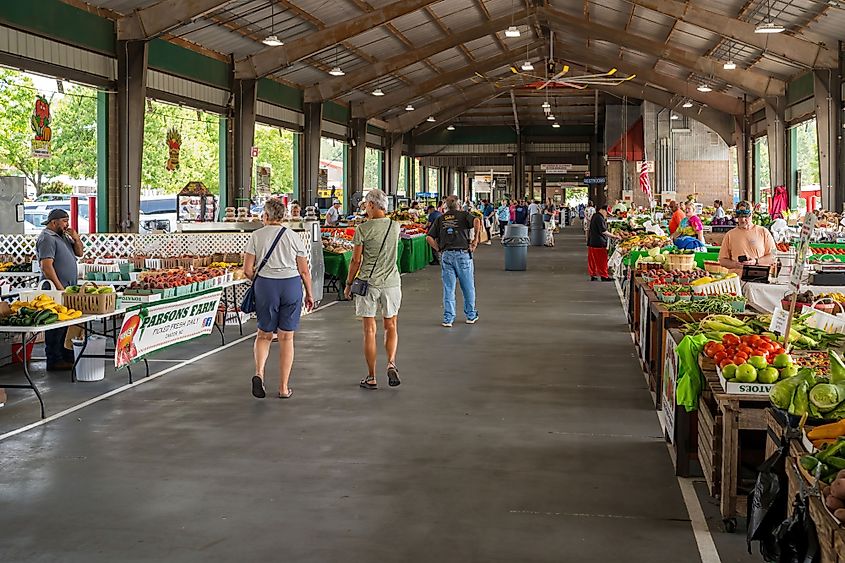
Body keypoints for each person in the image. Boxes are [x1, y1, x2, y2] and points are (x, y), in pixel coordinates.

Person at [245, 198, 314, 400]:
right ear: (283, 216)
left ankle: (259, 373)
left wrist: (260, 279)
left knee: (264, 334)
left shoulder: (256, 236)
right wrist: (309, 293)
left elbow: (247, 270)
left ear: (265, 216)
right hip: (291, 285)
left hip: (266, 286)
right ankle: (283, 388)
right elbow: (304, 270)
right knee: (287, 337)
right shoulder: (293, 237)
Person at [344, 189, 402, 390]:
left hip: (368, 283)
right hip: (392, 283)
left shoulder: (363, 229)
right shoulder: (395, 227)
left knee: (369, 330)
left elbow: (355, 260)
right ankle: (391, 362)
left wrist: (349, 283)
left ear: (371, 205)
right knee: (391, 325)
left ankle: (371, 376)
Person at [36, 209, 83, 371]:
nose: (67, 224)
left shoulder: (63, 237)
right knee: (55, 324)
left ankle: (64, 354)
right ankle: (54, 358)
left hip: (67, 288)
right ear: (54, 222)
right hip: (55, 290)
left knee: (66, 323)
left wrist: (76, 239)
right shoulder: (47, 238)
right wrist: (59, 287)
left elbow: (79, 253)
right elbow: (46, 266)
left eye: (68, 220)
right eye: (64, 221)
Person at [426, 195, 481, 327]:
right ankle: (470, 315)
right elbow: (477, 221)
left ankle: (448, 318)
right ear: (459, 204)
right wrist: (475, 241)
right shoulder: (464, 215)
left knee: (448, 288)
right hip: (462, 254)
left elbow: (428, 237)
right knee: (468, 287)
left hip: (446, 255)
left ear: (446, 206)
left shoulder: (440, 218)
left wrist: (438, 249)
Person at [718, 200, 776, 275]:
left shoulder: (764, 232)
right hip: (738, 280)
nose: (742, 220)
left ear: (752, 215)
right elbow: (722, 261)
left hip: (760, 278)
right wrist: (736, 265)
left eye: (746, 216)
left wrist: (756, 262)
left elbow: (774, 255)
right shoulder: (729, 235)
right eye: (740, 216)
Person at [587, 206, 620, 281]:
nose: (606, 215)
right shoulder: (599, 218)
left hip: (592, 241)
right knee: (602, 260)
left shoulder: (595, 216)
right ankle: (604, 276)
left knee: (593, 260)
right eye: (606, 213)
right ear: (602, 210)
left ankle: (593, 275)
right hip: (599, 242)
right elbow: (603, 231)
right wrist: (614, 236)